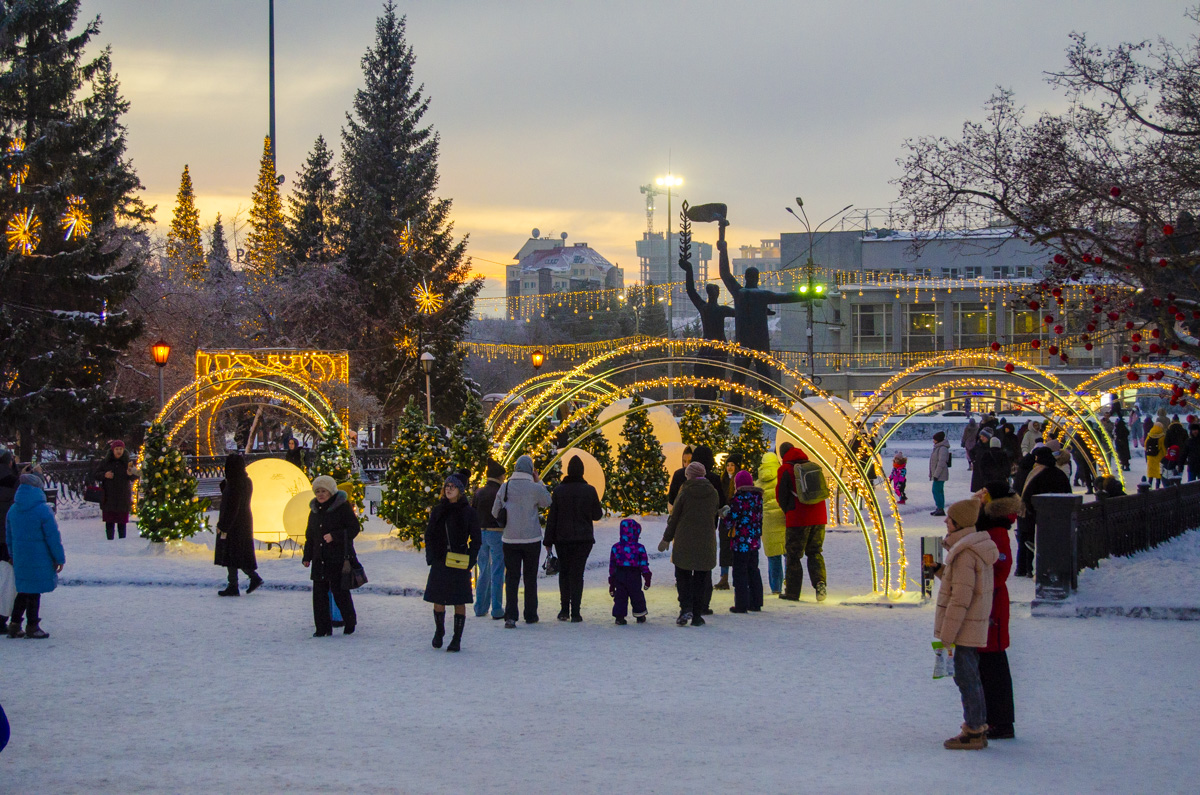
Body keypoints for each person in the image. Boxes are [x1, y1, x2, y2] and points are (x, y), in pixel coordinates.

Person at [933, 498, 998, 750]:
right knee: (968, 677)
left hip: (962, 629)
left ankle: (974, 729)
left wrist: (946, 636)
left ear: (958, 523)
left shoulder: (964, 554)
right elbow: (962, 586)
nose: (945, 521)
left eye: (949, 519)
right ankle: (976, 726)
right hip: (970, 626)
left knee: (966, 678)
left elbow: (960, 600)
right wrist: (940, 570)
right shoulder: (973, 548)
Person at [974, 481, 1020, 740]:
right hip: (986, 604)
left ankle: (1001, 722)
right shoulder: (990, 528)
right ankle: (994, 718)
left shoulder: (996, 531)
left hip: (992, 607)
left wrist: (977, 582)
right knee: (988, 664)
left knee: (994, 665)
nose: (978, 498)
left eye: (982, 496)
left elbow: (1000, 570)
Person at [492, 454, 551, 628]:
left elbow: (495, 511)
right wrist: (539, 481)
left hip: (510, 540)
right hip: (531, 539)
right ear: (531, 470)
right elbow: (548, 501)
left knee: (511, 577)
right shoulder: (534, 487)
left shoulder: (506, 486)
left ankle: (510, 615)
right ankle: (531, 614)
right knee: (530, 577)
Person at [424, 474, 481, 652]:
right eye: (447, 486)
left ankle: (457, 638)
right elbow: (429, 534)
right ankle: (439, 630)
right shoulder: (439, 510)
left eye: (453, 486)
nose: (448, 489)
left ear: (460, 491)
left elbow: (476, 539)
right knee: (438, 598)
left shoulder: (468, 512)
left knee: (459, 600)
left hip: (459, 559)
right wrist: (432, 556)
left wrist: (470, 559)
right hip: (441, 560)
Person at [659, 461, 720, 626]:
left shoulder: (684, 492)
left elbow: (674, 518)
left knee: (683, 575)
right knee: (701, 577)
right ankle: (698, 615)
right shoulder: (713, 492)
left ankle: (685, 608)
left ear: (689, 475)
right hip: (706, 541)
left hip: (684, 541)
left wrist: (666, 538)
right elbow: (714, 513)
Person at [5, 473, 65, 639]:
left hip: (20, 557)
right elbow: (53, 537)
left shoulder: (13, 510)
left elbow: (8, 536)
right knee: (34, 592)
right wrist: (59, 558)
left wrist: (12, 555)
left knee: (23, 590)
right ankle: (32, 625)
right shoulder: (43, 510)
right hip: (40, 558)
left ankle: (15, 624)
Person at [544, 455, 603, 622]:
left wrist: (548, 541)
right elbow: (597, 515)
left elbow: (552, 518)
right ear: (582, 471)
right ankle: (576, 612)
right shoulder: (589, 490)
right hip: (583, 539)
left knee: (564, 573)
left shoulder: (559, 491)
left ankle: (564, 609)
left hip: (562, 539)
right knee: (578, 574)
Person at [302, 475, 360, 637]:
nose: (320, 495)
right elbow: (310, 536)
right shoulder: (314, 510)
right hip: (319, 558)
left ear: (331, 492)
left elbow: (354, 529)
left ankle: (350, 621)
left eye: (324, 491)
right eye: (318, 491)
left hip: (337, 557)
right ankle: (322, 628)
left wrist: (335, 536)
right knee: (319, 594)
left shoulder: (342, 507)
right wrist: (307, 557)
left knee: (340, 591)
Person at [776, 442, 829, 602]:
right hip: (819, 517)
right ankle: (820, 583)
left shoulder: (785, 469)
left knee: (793, 555)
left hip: (798, 518)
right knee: (815, 551)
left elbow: (781, 495)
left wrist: (788, 512)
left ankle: (792, 592)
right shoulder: (812, 465)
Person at [1016, 447, 1072, 577]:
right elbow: (1067, 493)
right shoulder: (1059, 474)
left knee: (1028, 541)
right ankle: (1047, 568)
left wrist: (1030, 511)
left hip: (1033, 516)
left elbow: (1027, 495)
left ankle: (1025, 568)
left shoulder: (1035, 474)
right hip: (1055, 517)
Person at [214, 453, 262, 597]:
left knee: (232, 553)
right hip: (244, 521)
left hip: (234, 524)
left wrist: (223, 526)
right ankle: (242, 581)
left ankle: (239, 582)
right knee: (237, 553)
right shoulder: (245, 481)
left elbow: (232, 506)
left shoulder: (234, 483)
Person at [471, 459, 506, 620]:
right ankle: (497, 608)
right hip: (497, 533)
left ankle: (480, 606)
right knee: (497, 569)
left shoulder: (479, 492)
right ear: (499, 477)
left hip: (480, 533)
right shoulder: (501, 492)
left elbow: (472, 513)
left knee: (483, 569)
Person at [725, 470, 764, 613]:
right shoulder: (758, 498)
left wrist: (725, 517)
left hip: (741, 542)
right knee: (753, 570)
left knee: (740, 572)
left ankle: (741, 604)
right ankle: (756, 602)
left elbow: (731, 520)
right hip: (754, 541)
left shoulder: (739, 499)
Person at [609, 518, 651, 625]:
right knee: (636, 594)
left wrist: (612, 581)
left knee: (620, 595)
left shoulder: (616, 547)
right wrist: (646, 576)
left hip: (620, 574)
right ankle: (640, 614)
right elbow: (643, 564)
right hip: (634, 574)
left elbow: (612, 565)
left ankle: (619, 616)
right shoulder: (639, 548)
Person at [755, 451, 786, 594]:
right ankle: (791, 584)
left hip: (767, 522)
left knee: (773, 556)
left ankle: (776, 587)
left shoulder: (758, 483)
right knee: (788, 554)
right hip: (783, 519)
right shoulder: (782, 478)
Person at [95, 440, 138, 540]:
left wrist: (130, 474)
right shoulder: (106, 462)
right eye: (117, 449)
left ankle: (122, 540)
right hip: (109, 496)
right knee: (109, 521)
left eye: (121, 449)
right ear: (113, 450)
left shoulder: (128, 463)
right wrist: (105, 475)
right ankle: (110, 540)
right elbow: (96, 474)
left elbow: (135, 475)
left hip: (122, 496)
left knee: (121, 522)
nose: (119, 451)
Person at [715, 452, 743, 590]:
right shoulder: (723, 480)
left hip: (736, 520)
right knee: (725, 548)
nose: (729, 468)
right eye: (728, 465)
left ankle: (737, 577)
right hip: (725, 519)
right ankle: (724, 576)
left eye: (732, 465)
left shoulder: (740, 481)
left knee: (736, 548)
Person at [929, 431, 951, 517]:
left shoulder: (942, 449)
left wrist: (936, 475)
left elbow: (941, 462)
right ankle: (939, 507)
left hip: (940, 474)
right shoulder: (938, 448)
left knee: (936, 490)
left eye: (934, 439)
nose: (933, 441)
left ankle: (940, 508)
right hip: (938, 473)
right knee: (938, 491)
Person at [666, 445, 693, 509]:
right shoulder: (679, 475)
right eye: (684, 461)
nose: (686, 465)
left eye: (690, 461)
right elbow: (672, 499)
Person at [1145, 422, 1166, 488]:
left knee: (1151, 474)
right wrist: (1166, 456)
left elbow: (1145, 445)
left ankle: (1149, 487)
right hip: (1159, 458)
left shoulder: (1149, 435)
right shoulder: (1162, 437)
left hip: (1150, 458)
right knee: (1158, 475)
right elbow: (1164, 448)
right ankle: (1157, 488)